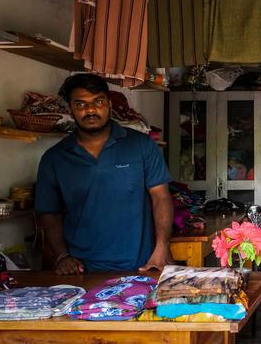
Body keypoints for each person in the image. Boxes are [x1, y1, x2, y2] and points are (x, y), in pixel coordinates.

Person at [35, 74, 174, 274]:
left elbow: (161, 196)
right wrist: (62, 256)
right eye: (80, 104)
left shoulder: (141, 145)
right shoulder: (54, 158)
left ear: (109, 104)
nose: (90, 110)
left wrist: (162, 247)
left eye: (98, 102)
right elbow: (49, 213)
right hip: (81, 271)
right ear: (70, 109)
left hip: (141, 265)